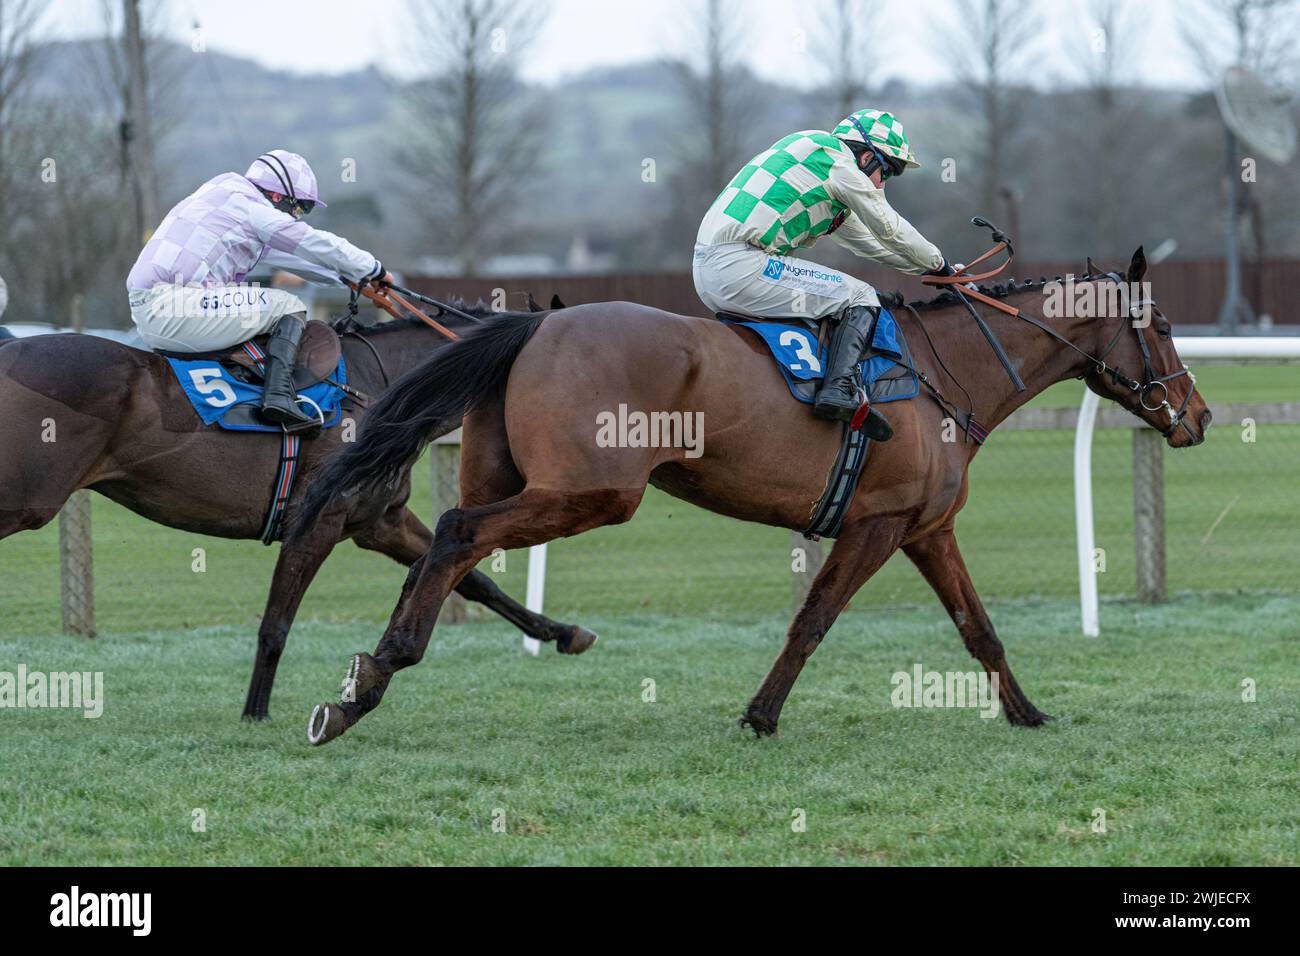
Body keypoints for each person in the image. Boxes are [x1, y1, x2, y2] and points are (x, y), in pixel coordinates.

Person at [694, 109, 956, 440]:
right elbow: (889, 228)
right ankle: (838, 390)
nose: (881, 184)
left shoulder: (817, 166)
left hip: (711, 268)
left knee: (846, 296)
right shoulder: (837, 161)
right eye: (886, 171)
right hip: (740, 265)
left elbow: (872, 245)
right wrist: (938, 262)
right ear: (864, 155)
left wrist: (937, 271)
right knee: (861, 295)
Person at [126, 150, 389, 426]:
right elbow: (310, 241)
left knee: (270, 304)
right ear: (277, 197)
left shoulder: (228, 197)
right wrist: (373, 268)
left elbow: (294, 258)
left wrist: (352, 279)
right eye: (299, 208)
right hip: (175, 305)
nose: (297, 217)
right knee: (288, 304)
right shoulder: (252, 209)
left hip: (156, 305)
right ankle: (278, 397)